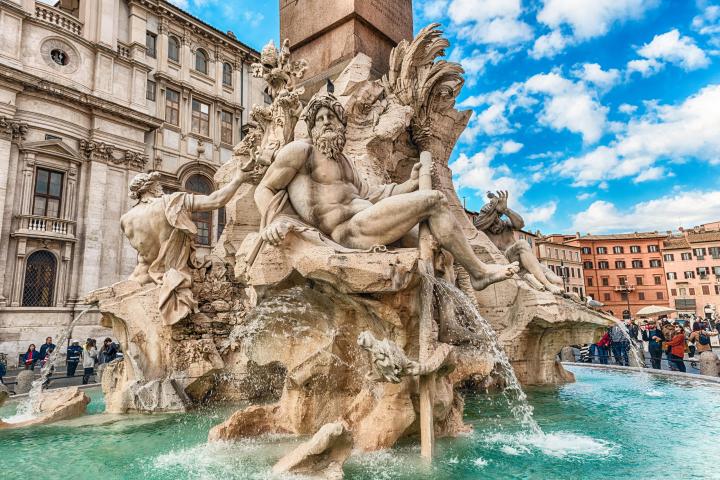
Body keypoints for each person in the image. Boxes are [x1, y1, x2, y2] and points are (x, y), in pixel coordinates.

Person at [254, 92, 519, 292]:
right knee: (436, 201)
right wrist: (273, 221)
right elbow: (265, 187)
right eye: (319, 119)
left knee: (443, 252)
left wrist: (410, 183)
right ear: (312, 127)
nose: (325, 123)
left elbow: (373, 195)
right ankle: (479, 273)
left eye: (331, 117)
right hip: (347, 232)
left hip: (369, 221)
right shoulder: (301, 151)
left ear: (340, 124)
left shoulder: (344, 162)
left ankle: (447, 325)